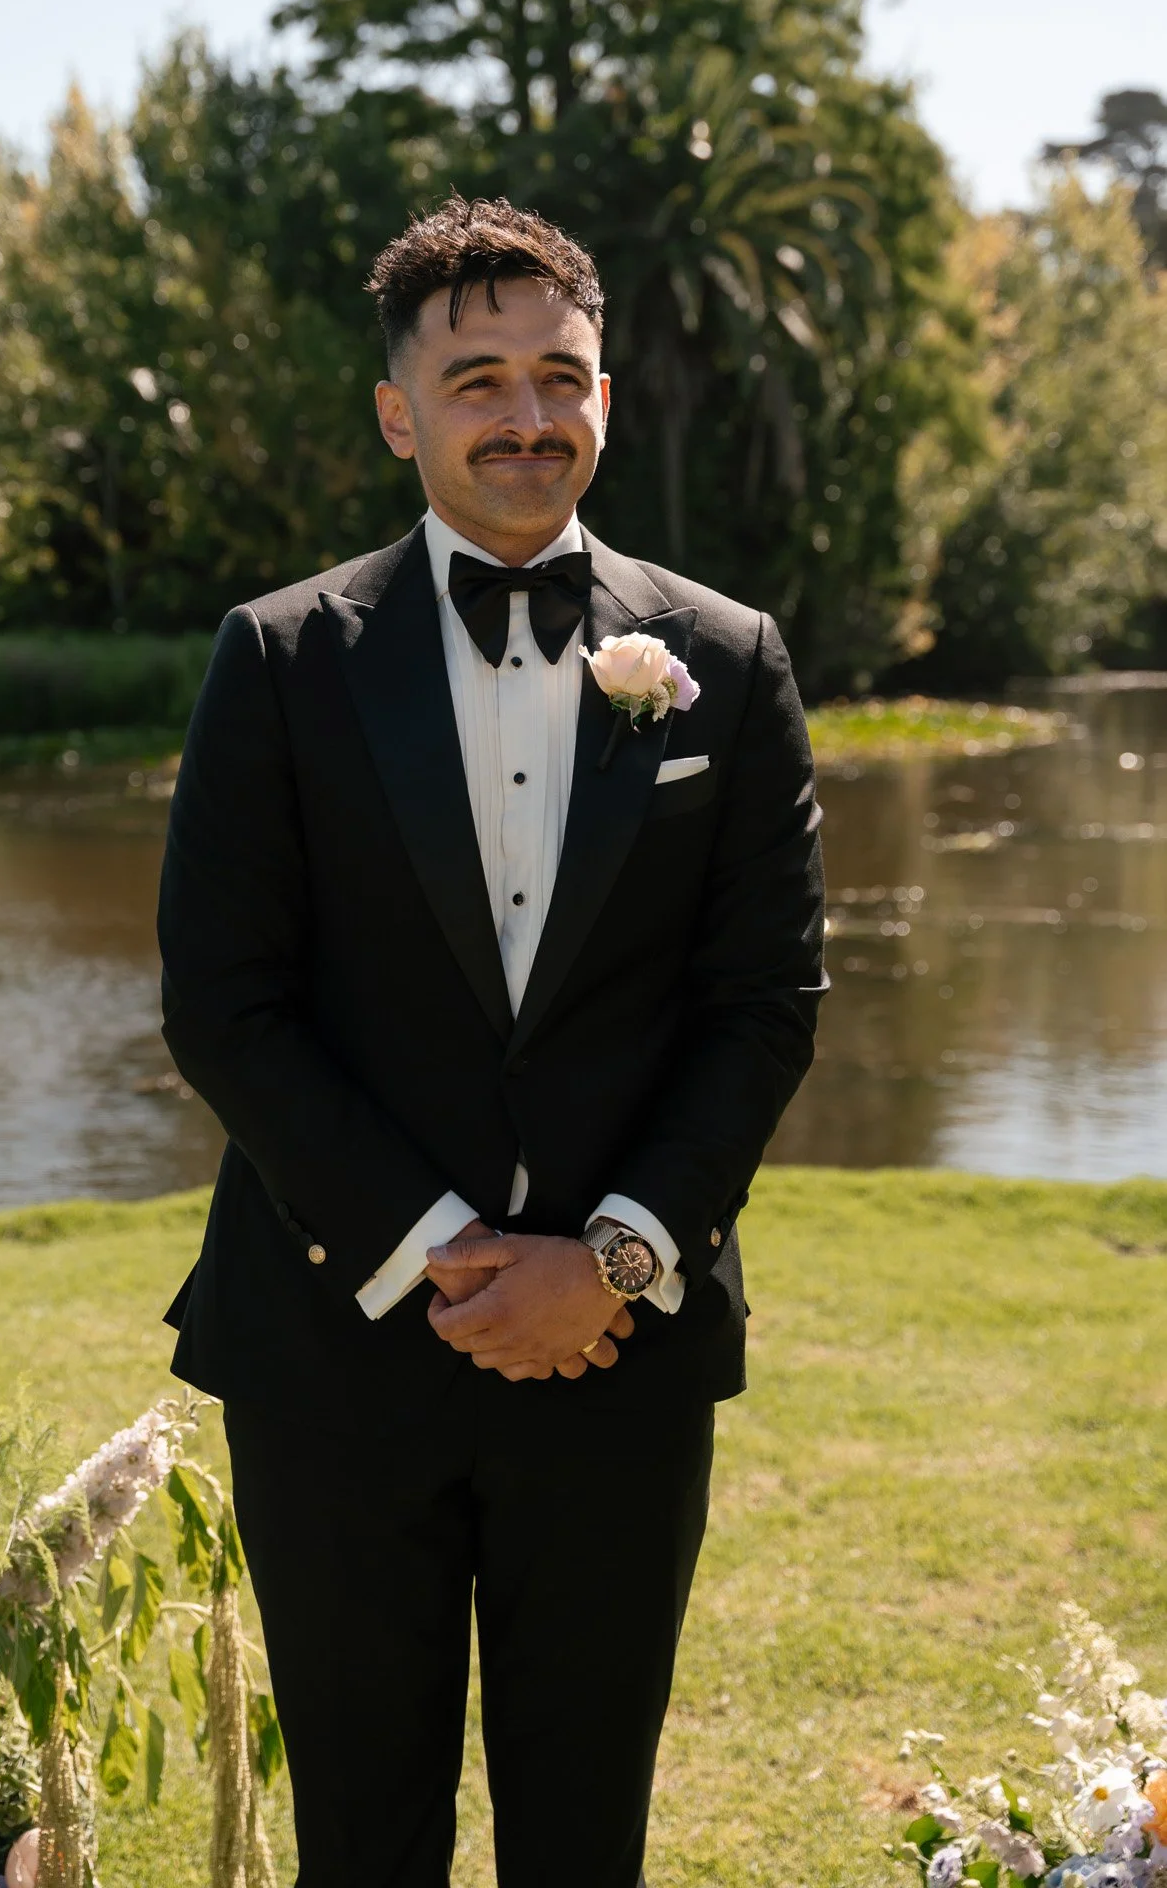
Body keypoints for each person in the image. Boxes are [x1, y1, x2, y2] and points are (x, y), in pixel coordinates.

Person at [157, 195, 826, 1888]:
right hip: (339, 1344)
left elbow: (764, 1008)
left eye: (561, 376)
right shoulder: (281, 658)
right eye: (479, 381)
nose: (527, 415)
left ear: (606, 397)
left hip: (625, 1357)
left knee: (584, 1836)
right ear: (401, 413)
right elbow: (225, 1003)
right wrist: (453, 1254)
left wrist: (608, 1260)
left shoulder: (728, 663)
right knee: (365, 1842)